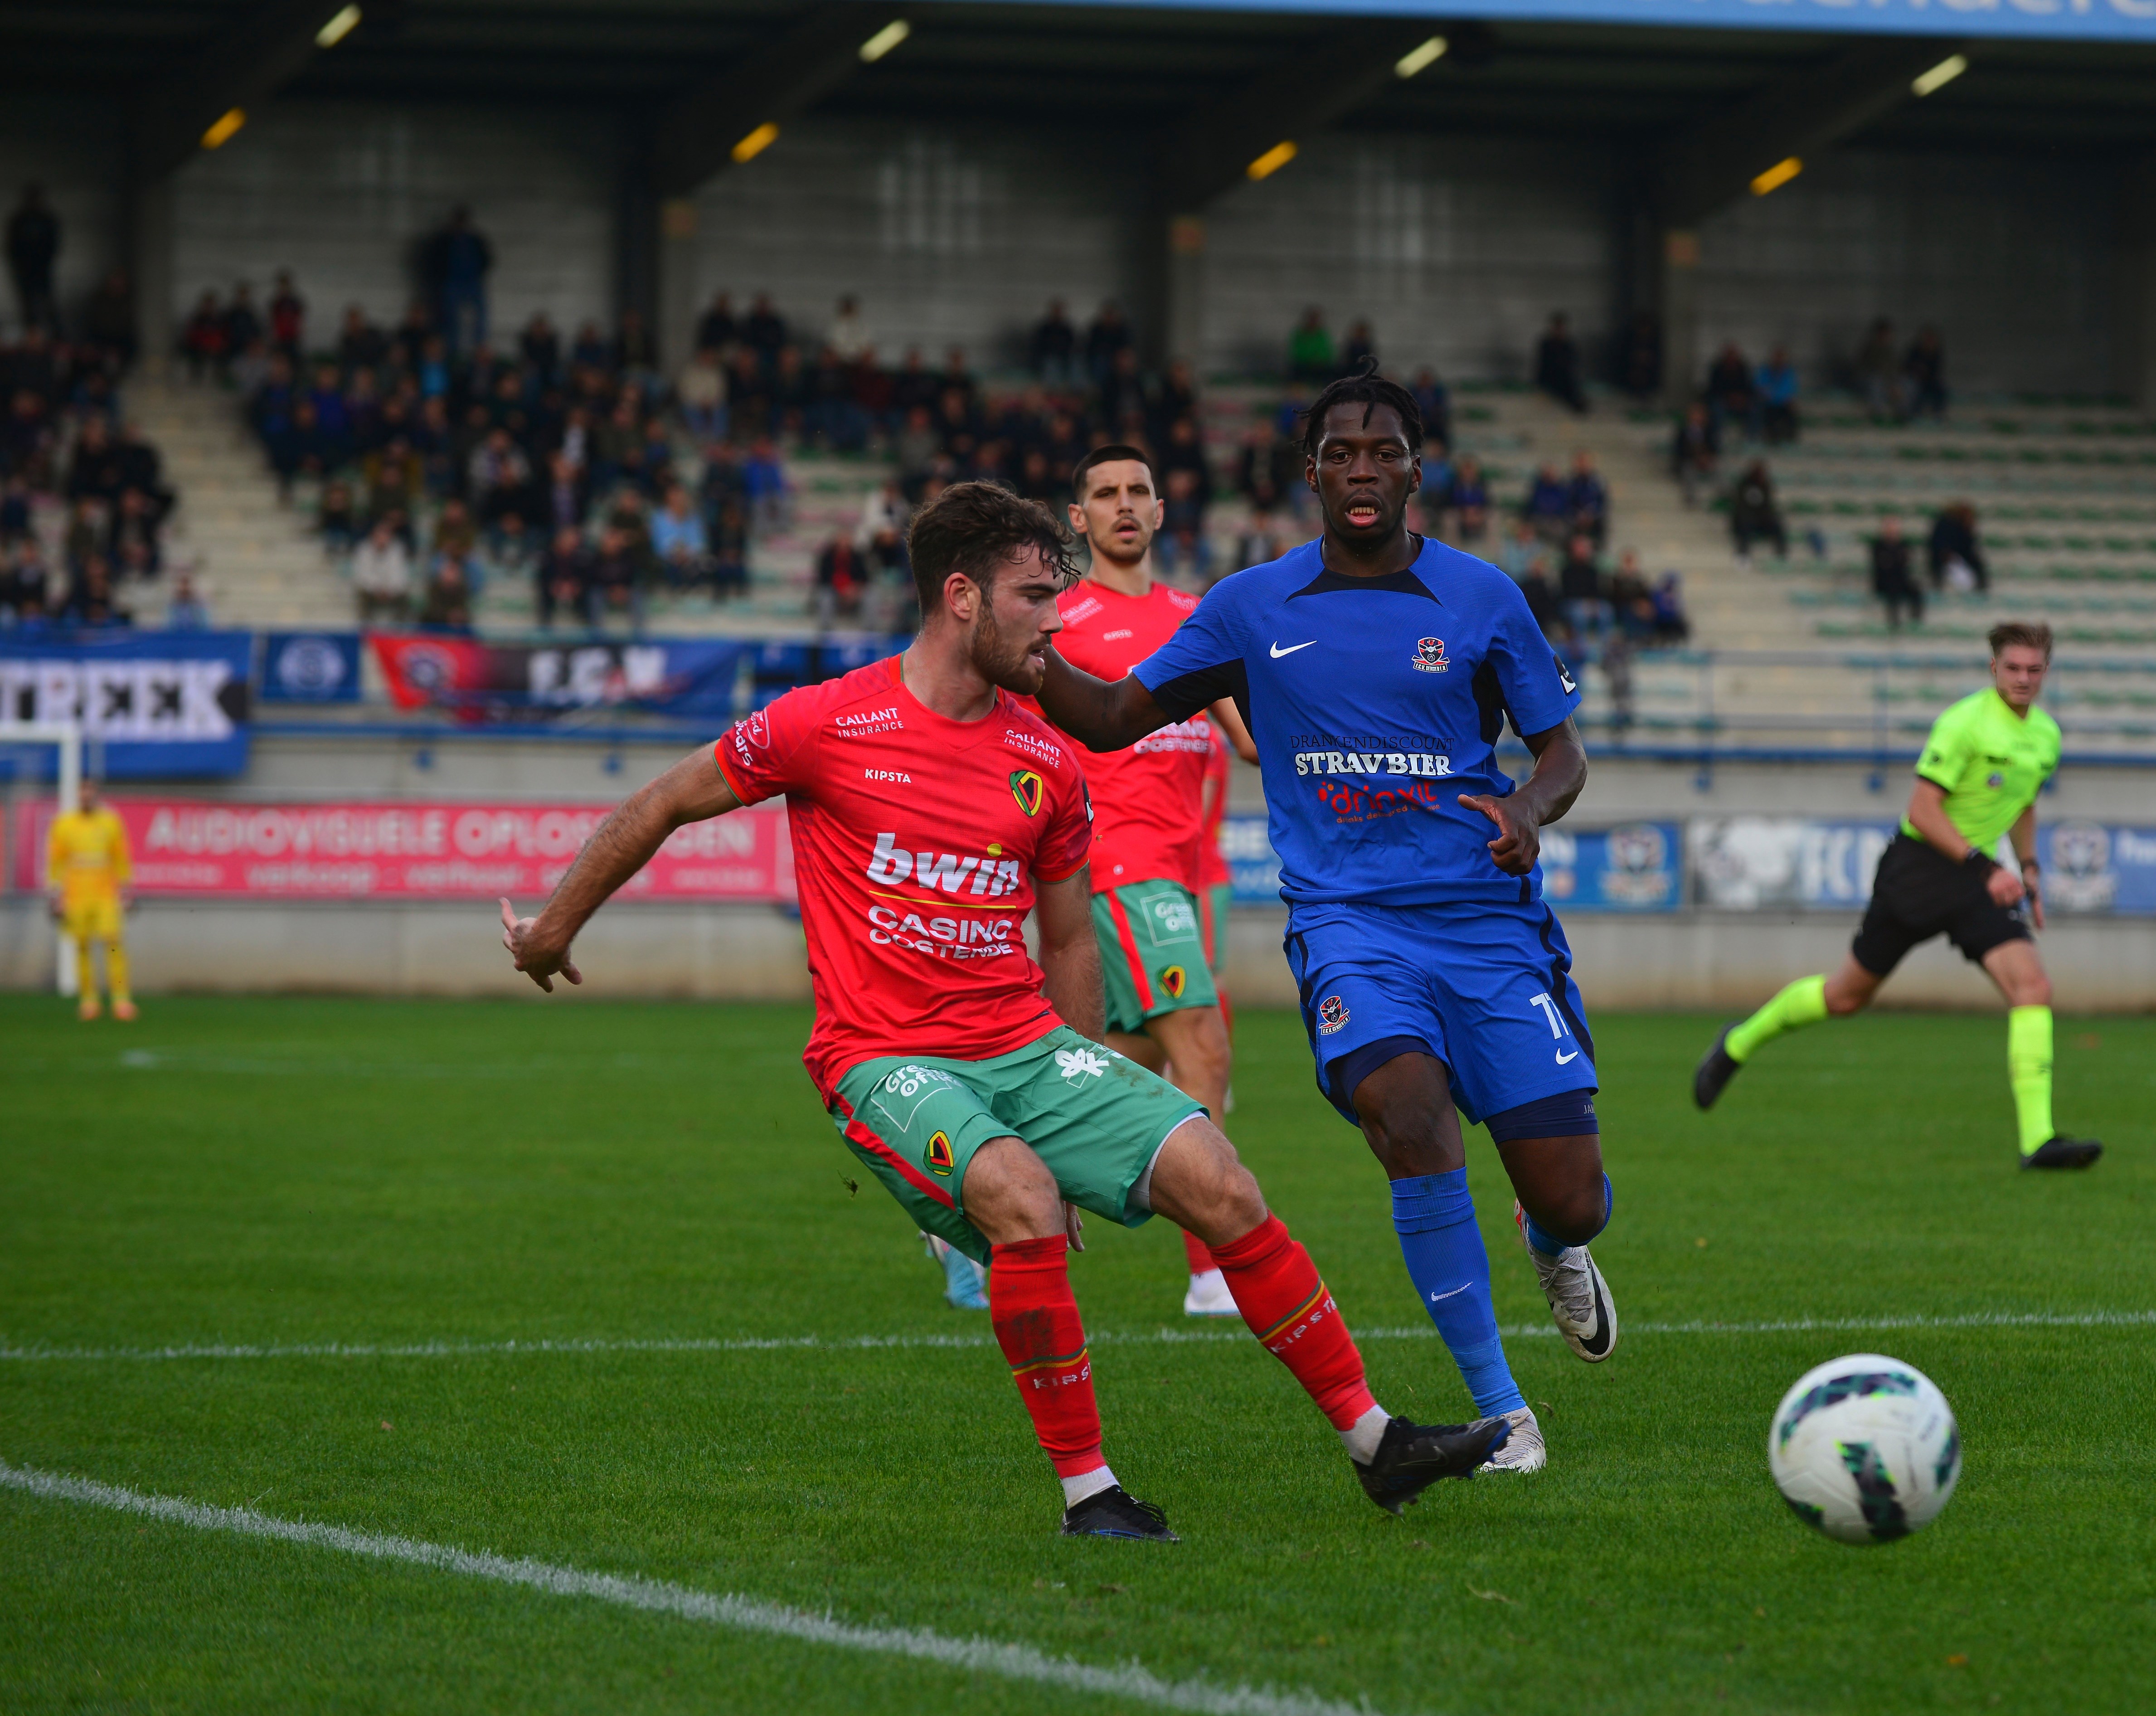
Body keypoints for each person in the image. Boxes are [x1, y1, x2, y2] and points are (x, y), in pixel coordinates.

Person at [498, 479, 1510, 1537]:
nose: (1057, 618)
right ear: (962, 598)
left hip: (1024, 1045)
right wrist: (556, 928)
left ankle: (1374, 1440)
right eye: (1034, 595)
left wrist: (1075, 1077)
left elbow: (1070, 938)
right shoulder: (827, 722)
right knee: (1022, 1194)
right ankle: (1090, 1495)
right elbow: (662, 799)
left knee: (1220, 1173)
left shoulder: (1045, 756)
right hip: (882, 1056)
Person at [1033, 372, 1622, 1478]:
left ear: (1414, 467)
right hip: (1351, 922)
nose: (1362, 468)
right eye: (1340, 452)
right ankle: (1503, 1412)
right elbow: (1113, 717)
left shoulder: (1483, 596)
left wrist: (1527, 810)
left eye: (1383, 450)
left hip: (1486, 925)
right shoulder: (1251, 607)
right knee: (1405, 1114)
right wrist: (1021, 657)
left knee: (1572, 1192)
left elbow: (1561, 750)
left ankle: (1552, 1243)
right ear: (1309, 472)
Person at [1694, 622, 2101, 1172]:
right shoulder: (1964, 723)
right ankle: (1738, 1041)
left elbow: (2023, 802)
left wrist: (2027, 865)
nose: (2023, 679)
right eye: (2013, 668)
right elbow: (1922, 810)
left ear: (2046, 671)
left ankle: (2038, 1140)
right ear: (1993, 669)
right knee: (1845, 997)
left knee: (2032, 986)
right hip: (1920, 868)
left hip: (1977, 876)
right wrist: (1986, 867)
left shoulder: (2046, 736)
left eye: (2033, 669)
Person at [1029, 443, 1259, 1318]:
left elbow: (1246, 737)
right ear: (1078, 520)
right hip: (1114, 867)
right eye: (1103, 494)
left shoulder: (1198, 617)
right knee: (1204, 1047)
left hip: (1179, 873)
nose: (1124, 505)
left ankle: (986, 1154)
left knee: (1116, 1063)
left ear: (1161, 511)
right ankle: (1212, 1271)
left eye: (1139, 492)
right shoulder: (1062, 622)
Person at [48, 776, 135, 1022]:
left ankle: (121, 999)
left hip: (105, 893)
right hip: (76, 894)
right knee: (82, 946)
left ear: (96, 794)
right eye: (82, 792)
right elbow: (56, 861)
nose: (86, 796)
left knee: (114, 942)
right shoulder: (64, 825)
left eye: (90, 792)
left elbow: (121, 857)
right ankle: (89, 1000)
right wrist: (55, 894)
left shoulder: (110, 822)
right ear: (77, 795)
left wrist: (126, 889)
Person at [421, 206, 494, 358]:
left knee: (480, 317)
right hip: (452, 282)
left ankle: (479, 348)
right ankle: (452, 351)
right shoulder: (444, 240)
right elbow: (433, 261)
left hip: (472, 282)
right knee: (450, 319)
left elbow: (487, 259)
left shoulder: (475, 240)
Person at [10, 185, 62, 332]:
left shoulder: (47, 219)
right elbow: (12, 246)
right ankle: (33, 337)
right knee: (28, 305)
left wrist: (45, 262)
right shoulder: (20, 220)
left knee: (47, 303)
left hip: (42, 269)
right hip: (25, 269)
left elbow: (54, 244)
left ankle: (56, 335)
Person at [1870, 516, 1925, 626]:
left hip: (1901, 579)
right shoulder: (1878, 545)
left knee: (1916, 589)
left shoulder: (1904, 544)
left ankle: (1916, 619)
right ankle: (1894, 621)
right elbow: (1883, 565)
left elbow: (1904, 562)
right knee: (1892, 591)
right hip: (1884, 581)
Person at [1730, 459, 1785, 563]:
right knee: (1743, 524)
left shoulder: (1766, 485)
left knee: (1776, 524)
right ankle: (1743, 553)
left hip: (1761, 519)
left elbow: (1768, 506)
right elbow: (1740, 505)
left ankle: (1781, 553)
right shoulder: (1744, 484)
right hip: (1746, 518)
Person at [1927, 501, 1987, 595]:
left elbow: (1969, 548)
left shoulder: (1965, 527)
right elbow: (1937, 544)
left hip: (1958, 557)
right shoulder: (1945, 525)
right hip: (1943, 557)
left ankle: (1981, 588)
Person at [1535, 311, 1586, 414]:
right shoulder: (1547, 344)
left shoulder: (1569, 345)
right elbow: (1541, 365)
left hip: (1565, 382)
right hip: (1550, 382)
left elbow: (1573, 366)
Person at [1670, 401, 1718, 507]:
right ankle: (1691, 499)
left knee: (1720, 467)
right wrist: (1696, 458)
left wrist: (1707, 457)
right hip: (1689, 461)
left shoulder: (1709, 431)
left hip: (1707, 461)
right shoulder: (1683, 431)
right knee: (1689, 470)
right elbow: (1679, 450)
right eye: (1695, 414)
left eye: (1700, 414)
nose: (1698, 417)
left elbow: (1715, 448)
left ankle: (1719, 498)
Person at [1754, 346, 1800, 444]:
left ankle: (1791, 440)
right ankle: (1771, 439)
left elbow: (1790, 391)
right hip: (1768, 405)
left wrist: (1778, 397)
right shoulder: (1765, 372)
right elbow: (1760, 388)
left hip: (1783, 405)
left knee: (1792, 414)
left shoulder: (1788, 373)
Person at [1903, 326, 1949, 421]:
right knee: (1915, 391)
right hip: (1916, 381)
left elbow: (1936, 372)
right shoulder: (1915, 352)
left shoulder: (1936, 354)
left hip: (1930, 382)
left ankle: (1938, 413)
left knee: (1940, 390)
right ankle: (1915, 414)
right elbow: (1906, 367)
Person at [1287, 307, 1336, 385]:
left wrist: (1319, 359)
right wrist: (1309, 359)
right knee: (1296, 370)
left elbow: (1326, 351)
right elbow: (1297, 351)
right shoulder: (1300, 334)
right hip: (1303, 364)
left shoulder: (1322, 334)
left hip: (1319, 365)